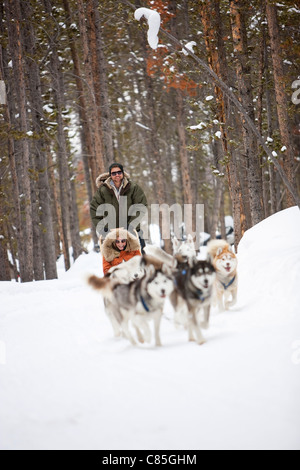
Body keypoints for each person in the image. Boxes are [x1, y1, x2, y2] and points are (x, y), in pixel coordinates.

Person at [90, 163, 148, 252]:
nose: (117, 175)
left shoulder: (133, 187)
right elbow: (94, 209)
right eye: (114, 173)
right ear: (110, 175)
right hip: (111, 233)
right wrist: (102, 228)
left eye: (119, 172)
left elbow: (141, 205)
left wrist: (131, 224)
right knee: (114, 263)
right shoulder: (103, 190)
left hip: (132, 230)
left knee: (139, 260)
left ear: (123, 173)